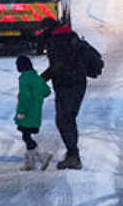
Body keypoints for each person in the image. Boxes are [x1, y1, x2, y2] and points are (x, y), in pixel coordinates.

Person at [39, 17, 86, 170]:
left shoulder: (56, 41)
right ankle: (73, 153)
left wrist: (40, 80)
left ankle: (73, 156)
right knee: (68, 119)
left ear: (47, 29)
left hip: (67, 84)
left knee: (64, 120)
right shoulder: (69, 35)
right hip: (78, 81)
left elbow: (57, 66)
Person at [14, 55, 53, 171]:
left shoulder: (24, 79)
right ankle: (30, 163)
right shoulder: (37, 78)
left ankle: (43, 155)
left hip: (27, 113)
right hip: (36, 111)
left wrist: (21, 112)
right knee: (27, 135)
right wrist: (37, 97)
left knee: (26, 136)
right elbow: (47, 91)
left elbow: (24, 97)